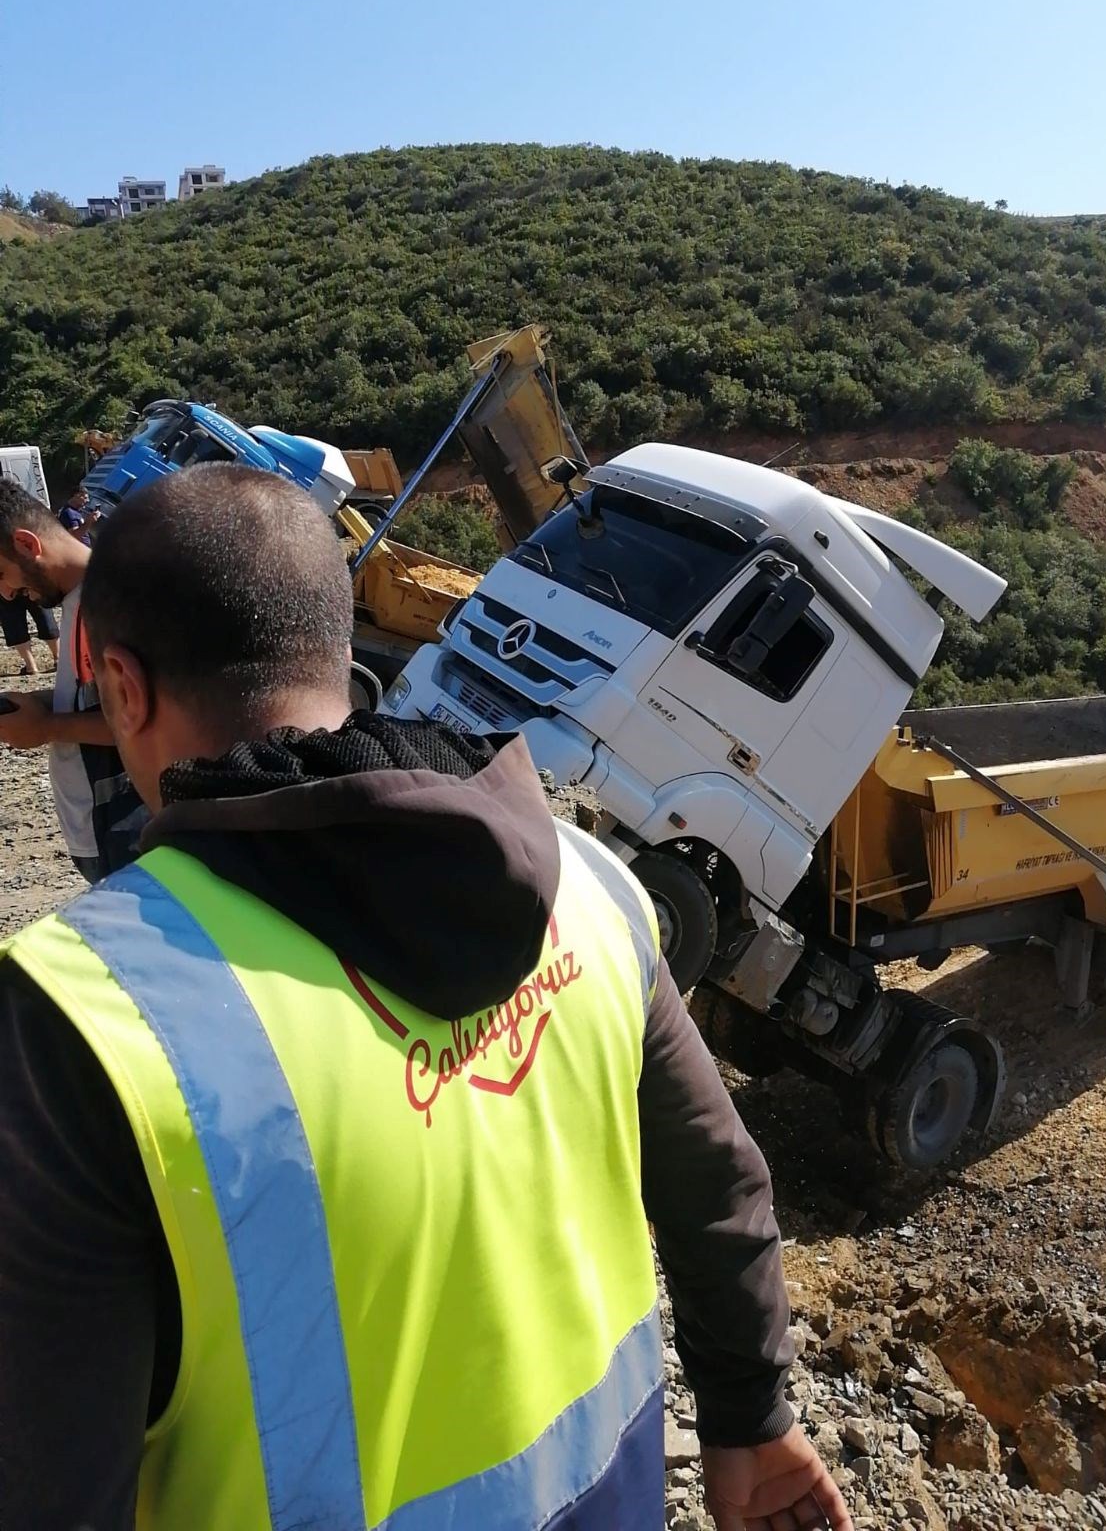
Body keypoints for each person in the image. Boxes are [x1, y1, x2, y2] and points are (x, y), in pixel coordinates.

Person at [0, 464, 852, 1531]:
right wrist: (752, 1419)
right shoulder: (588, 885)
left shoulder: (83, 1026)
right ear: (340, 649)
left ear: (121, 689)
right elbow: (720, 1185)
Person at [0, 480, 146, 880]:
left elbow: (146, 719)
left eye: (1, 573)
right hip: (104, 830)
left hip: (126, 829)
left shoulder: (113, 601)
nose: (7, 593)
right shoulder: (81, 598)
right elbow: (101, 698)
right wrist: (40, 705)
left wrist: (46, 726)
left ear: (28, 545)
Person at [0, 590, 60, 675]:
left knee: (13, 621)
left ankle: (31, 666)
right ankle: (58, 659)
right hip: (31, 581)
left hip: (6, 584)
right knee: (43, 615)